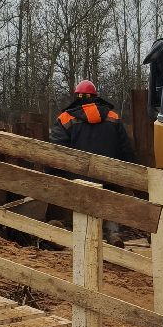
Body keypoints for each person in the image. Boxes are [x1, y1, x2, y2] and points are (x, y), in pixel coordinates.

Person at [50, 80, 136, 246]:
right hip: (110, 175)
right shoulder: (113, 117)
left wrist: (56, 176)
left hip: (78, 177)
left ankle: (85, 240)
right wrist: (127, 173)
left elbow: (57, 152)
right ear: (96, 96)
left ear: (77, 97)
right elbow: (126, 149)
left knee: (83, 207)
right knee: (110, 202)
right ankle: (113, 235)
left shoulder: (65, 119)